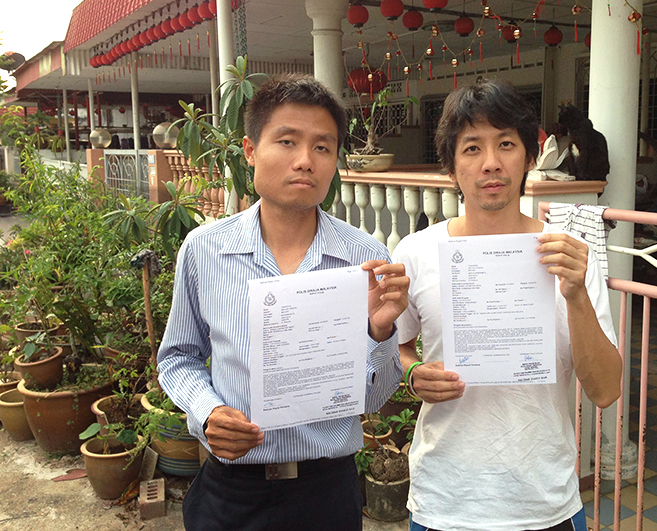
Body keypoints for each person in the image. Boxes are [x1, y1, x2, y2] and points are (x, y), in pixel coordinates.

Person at [157, 74, 408, 531]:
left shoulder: (364, 259)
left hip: (326, 492)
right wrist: (209, 410)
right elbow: (178, 358)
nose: (305, 161)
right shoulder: (204, 249)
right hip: (230, 491)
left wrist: (379, 332)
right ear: (251, 150)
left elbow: (373, 398)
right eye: (287, 141)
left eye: (322, 147)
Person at [392, 80, 622, 531]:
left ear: (529, 158)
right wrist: (414, 374)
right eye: (472, 148)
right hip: (446, 499)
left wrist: (574, 295)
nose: (491, 164)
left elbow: (605, 390)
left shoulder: (568, 256)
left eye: (506, 144)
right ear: (452, 165)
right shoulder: (417, 253)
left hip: (543, 501)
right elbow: (396, 348)